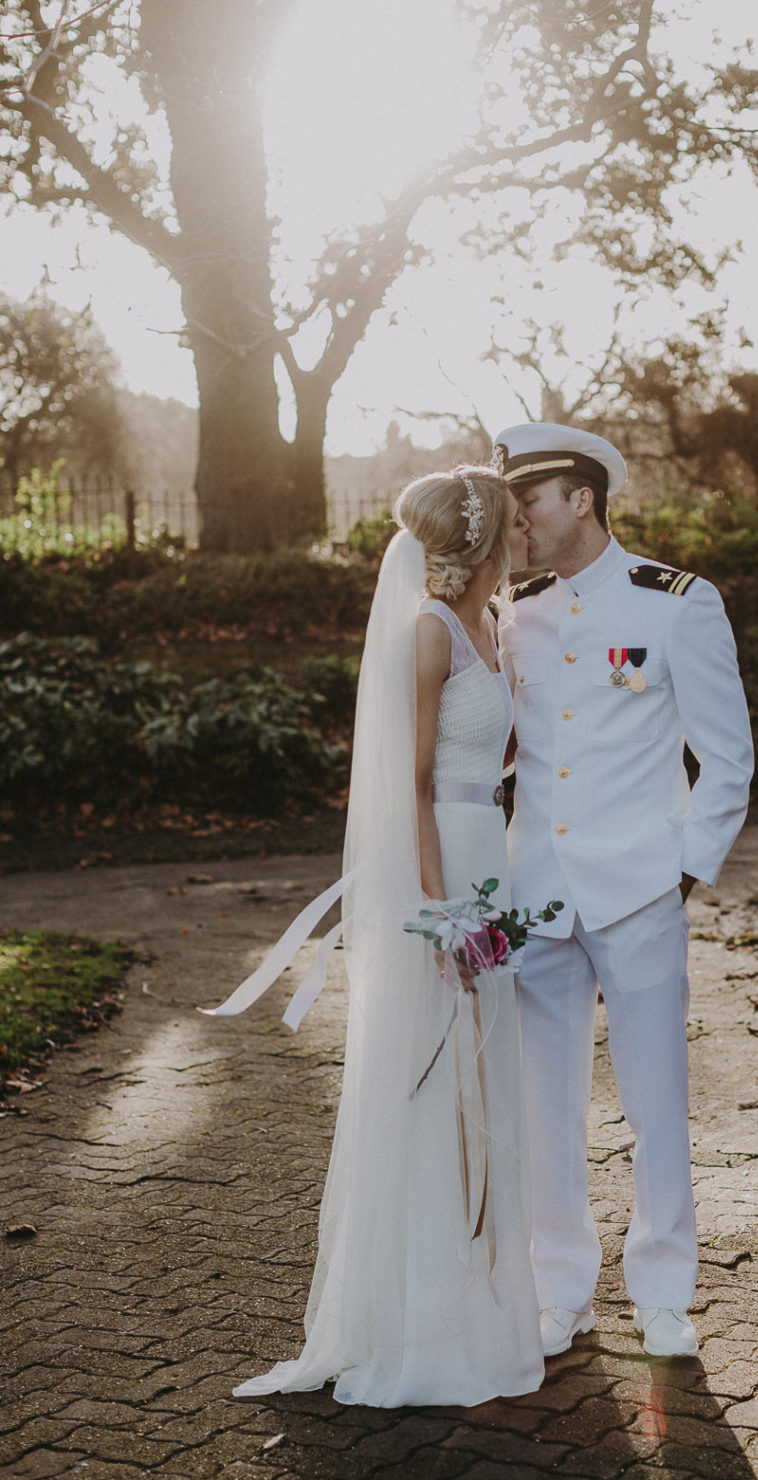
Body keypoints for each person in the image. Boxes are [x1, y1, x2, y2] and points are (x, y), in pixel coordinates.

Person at [203, 465, 544, 1407]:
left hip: (492, 857)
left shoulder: (487, 626)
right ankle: (423, 1315)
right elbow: (415, 785)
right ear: (478, 541)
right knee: (437, 1082)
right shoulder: (429, 632)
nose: (526, 538)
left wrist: (519, 668)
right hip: (443, 876)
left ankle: (480, 1293)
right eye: (514, 526)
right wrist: (443, 916)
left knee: (486, 1077)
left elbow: (496, 755)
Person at [494, 422, 755, 1360]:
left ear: (583, 498)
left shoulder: (676, 603)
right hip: (536, 891)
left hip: (640, 886)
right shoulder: (510, 610)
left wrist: (687, 864)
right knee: (543, 1106)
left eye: (530, 496)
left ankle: (663, 1295)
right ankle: (558, 1290)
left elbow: (728, 756)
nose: (516, 513)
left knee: (656, 1101)